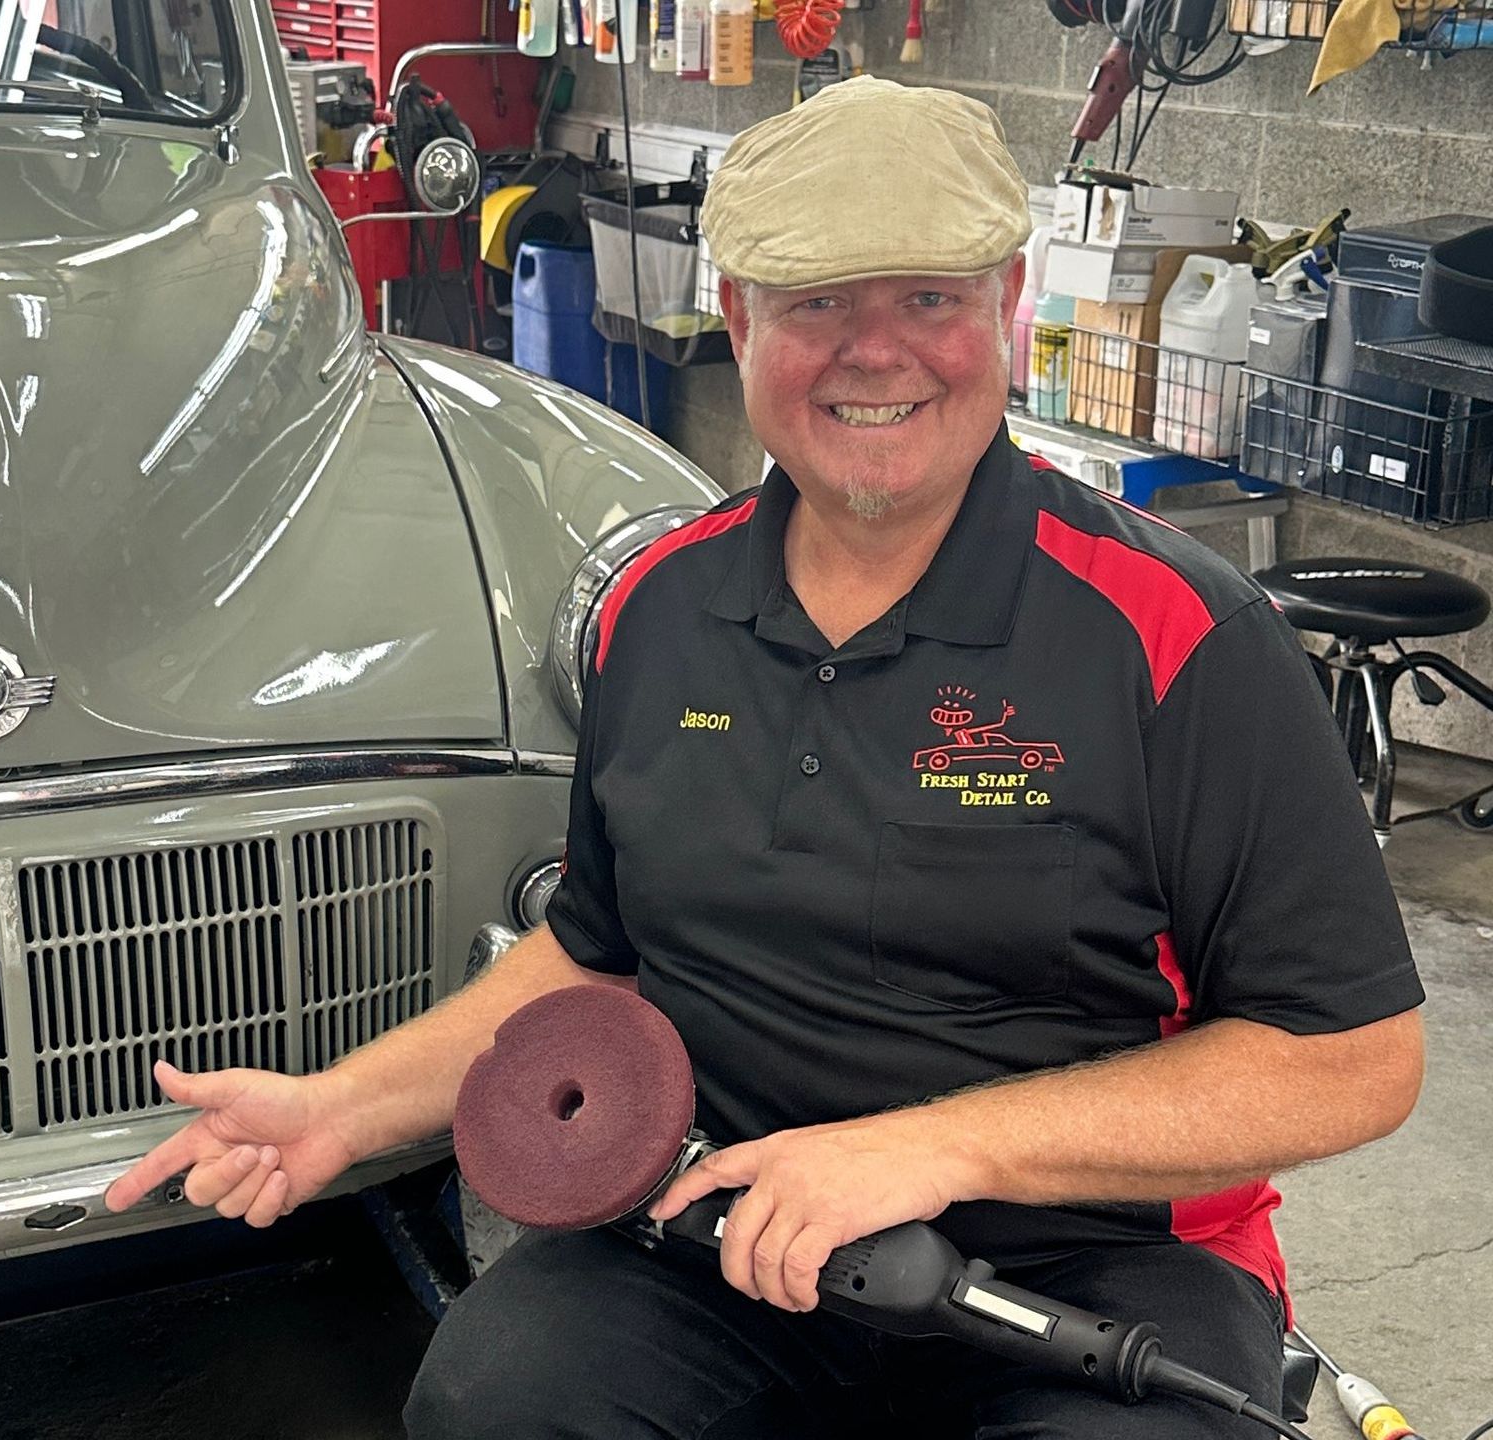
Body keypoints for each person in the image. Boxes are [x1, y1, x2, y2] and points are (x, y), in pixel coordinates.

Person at [105, 77, 1425, 1438]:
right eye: (814, 304)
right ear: (736, 317)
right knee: (494, 1405)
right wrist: (343, 1111)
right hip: (714, 1229)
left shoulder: (1177, 634)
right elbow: (592, 957)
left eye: (927, 299)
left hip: (1089, 1268)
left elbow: (1353, 1056)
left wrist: (933, 1148)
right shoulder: (653, 608)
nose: (875, 352)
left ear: (1008, 310)